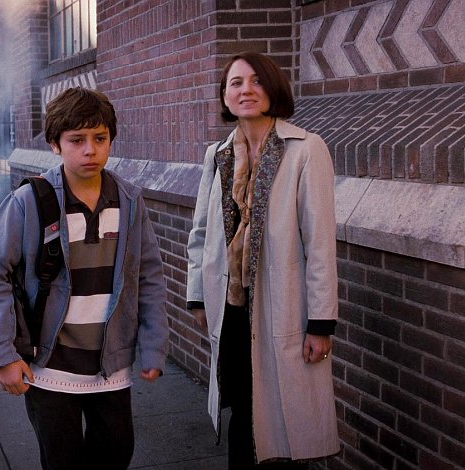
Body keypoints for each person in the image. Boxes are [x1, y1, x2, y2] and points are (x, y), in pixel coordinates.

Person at [0, 87, 169, 470]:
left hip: (110, 365)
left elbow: (150, 275)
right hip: (48, 366)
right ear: (55, 144)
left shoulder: (129, 201)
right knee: (62, 461)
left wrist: (155, 344)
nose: (90, 150)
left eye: (100, 138)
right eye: (77, 140)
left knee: (116, 453)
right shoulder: (29, 201)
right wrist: (3, 354)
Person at [186, 51, 340, 468]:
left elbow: (320, 243)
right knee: (242, 410)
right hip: (232, 311)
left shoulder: (306, 150)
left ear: (273, 89)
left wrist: (320, 323)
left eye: (256, 81)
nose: (246, 90)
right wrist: (198, 296)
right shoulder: (217, 154)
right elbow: (200, 232)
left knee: (283, 419)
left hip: (284, 308)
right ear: (225, 95)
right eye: (236, 83)